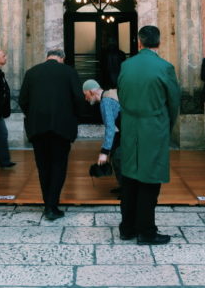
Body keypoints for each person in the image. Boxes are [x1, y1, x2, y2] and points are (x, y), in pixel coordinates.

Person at [117, 25, 180, 245]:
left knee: (130, 178)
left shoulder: (126, 65)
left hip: (130, 128)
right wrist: (166, 124)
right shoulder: (165, 67)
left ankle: (127, 227)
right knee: (149, 180)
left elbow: (122, 97)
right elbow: (174, 102)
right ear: (159, 43)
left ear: (139, 42)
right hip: (153, 128)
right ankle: (146, 231)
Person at [19, 48, 85, 221]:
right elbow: (79, 98)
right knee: (58, 166)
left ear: (47, 56)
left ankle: (47, 203)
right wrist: (74, 117)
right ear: (62, 58)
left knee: (43, 167)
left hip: (37, 128)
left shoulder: (32, 72)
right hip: (61, 128)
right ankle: (51, 205)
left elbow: (22, 100)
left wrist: (33, 115)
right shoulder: (69, 72)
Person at [82, 78, 122, 187]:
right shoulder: (111, 94)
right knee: (116, 158)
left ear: (91, 92)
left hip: (124, 133)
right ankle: (123, 188)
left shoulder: (105, 101)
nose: (86, 98)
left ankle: (125, 191)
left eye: (86, 95)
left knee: (118, 159)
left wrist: (104, 152)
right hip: (125, 132)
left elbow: (110, 127)